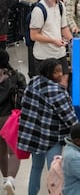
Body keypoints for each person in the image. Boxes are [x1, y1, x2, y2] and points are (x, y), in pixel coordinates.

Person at [18, 58, 77, 195]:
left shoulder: (33, 82)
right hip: (52, 137)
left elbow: (24, 103)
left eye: (61, 71)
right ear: (48, 73)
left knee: (36, 168)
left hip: (34, 134)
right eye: (56, 72)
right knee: (54, 171)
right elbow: (70, 118)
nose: (61, 74)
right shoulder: (56, 91)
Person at [0, 48, 25, 194]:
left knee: (1, 151)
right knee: (13, 151)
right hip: (11, 118)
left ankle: (4, 179)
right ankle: (11, 179)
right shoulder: (16, 76)